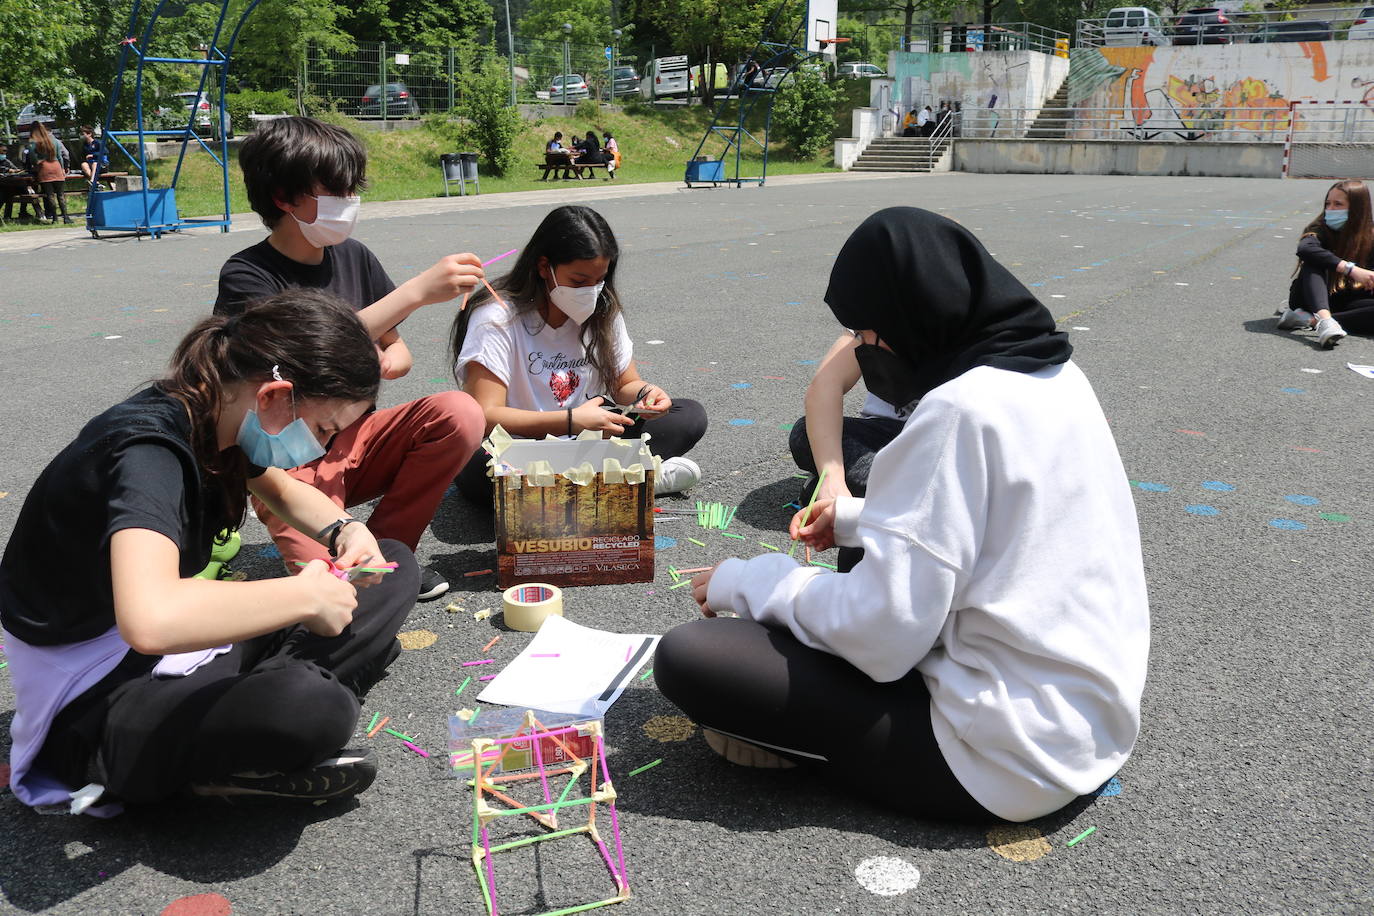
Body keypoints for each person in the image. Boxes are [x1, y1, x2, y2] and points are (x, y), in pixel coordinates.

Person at [655, 207, 1149, 824]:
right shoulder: (1055, 374)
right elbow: (995, 527)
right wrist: (858, 519)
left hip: (1001, 760)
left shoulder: (958, 410)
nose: (864, 350)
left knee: (691, 656)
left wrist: (751, 581)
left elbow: (882, 637)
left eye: (867, 334)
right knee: (835, 592)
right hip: (1086, 724)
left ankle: (801, 747)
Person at [0, 290, 419, 814]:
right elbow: (149, 620)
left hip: (180, 644)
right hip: (101, 683)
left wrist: (344, 532)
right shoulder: (148, 455)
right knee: (311, 704)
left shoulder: (219, 420)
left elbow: (285, 492)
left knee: (392, 562)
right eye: (321, 430)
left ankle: (256, 711)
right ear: (274, 396)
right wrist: (304, 598)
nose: (319, 450)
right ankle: (143, 755)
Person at [214, 116, 486, 601]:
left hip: (354, 437)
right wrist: (416, 291)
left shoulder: (354, 255)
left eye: (352, 188)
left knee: (460, 412)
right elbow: (300, 359)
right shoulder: (247, 276)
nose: (350, 202)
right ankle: (364, 568)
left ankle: (391, 549)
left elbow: (394, 345)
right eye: (336, 190)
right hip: (288, 460)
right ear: (283, 197)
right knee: (340, 593)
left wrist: (392, 357)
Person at [451, 205, 707, 505]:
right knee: (478, 468)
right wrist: (570, 421)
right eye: (578, 281)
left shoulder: (603, 310)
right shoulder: (498, 317)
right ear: (544, 266)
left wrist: (647, 395)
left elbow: (624, 385)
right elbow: (486, 415)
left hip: (591, 441)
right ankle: (626, 479)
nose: (591, 290)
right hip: (521, 448)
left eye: (599, 280)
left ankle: (577, 487)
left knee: (688, 416)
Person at [787, 332, 909, 571]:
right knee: (805, 434)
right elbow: (825, 384)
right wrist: (831, 479)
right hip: (884, 434)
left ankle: (872, 495)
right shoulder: (879, 323)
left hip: (938, 445)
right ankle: (857, 491)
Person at [1275, 179, 1374, 348]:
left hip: (1349, 300)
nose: (1330, 210)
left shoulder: (1370, 235)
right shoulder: (1319, 228)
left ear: (1358, 209)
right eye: (1328, 204)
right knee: (1314, 260)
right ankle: (1325, 320)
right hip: (1311, 297)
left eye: (1338, 204)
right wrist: (1351, 269)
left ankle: (1310, 320)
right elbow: (1305, 249)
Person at [23, 121, 71, 225]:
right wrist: (63, 169)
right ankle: (66, 217)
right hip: (57, 166)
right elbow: (60, 157)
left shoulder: (33, 143)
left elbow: (33, 160)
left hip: (44, 169)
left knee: (50, 195)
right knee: (61, 194)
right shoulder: (55, 141)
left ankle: (54, 218)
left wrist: (38, 163)